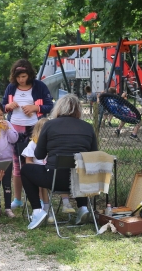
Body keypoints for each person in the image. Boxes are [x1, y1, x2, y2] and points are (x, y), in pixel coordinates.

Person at [21, 94, 98, 230]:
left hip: (54, 179)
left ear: (59, 109)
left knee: (26, 170)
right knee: (77, 167)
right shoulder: (88, 127)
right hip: (81, 182)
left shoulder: (49, 125)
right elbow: (93, 156)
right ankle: (83, 207)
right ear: (78, 110)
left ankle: (37, 211)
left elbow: (39, 155)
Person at [2, 59, 54, 210]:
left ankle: (39, 198)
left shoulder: (40, 86)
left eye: (23, 76)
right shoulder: (11, 88)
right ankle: (17, 199)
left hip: (34, 129)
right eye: (18, 77)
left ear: (29, 75)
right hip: (15, 129)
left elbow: (49, 105)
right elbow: (3, 104)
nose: (21, 80)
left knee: (36, 163)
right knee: (17, 165)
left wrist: (35, 108)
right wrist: (8, 106)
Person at [21, 118, 50, 218]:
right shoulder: (33, 143)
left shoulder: (51, 143)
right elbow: (28, 161)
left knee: (45, 186)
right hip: (37, 169)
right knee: (41, 184)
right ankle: (41, 207)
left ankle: (46, 209)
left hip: (48, 170)